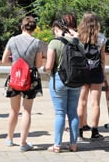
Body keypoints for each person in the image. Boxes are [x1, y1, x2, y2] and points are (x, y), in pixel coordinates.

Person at [1, 15, 44, 151]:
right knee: (27, 111)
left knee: (13, 110)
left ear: (22, 27)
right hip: (30, 77)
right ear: (34, 28)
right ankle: (23, 143)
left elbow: (3, 60)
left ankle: (9, 138)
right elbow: (38, 63)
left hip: (15, 76)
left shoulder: (12, 40)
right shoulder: (37, 43)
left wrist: (15, 59)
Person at [44, 17, 81, 153]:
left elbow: (49, 66)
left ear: (56, 29)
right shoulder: (78, 43)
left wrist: (44, 69)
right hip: (76, 80)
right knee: (73, 113)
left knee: (60, 113)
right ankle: (73, 144)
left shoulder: (54, 43)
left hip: (59, 80)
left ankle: (57, 145)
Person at [76, 12, 107, 141]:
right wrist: (103, 73)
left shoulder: (78, 37)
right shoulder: (101, 38)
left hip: (82, 71)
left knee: (81, 102)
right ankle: (95, 131)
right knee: (95, 103)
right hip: (96, 71)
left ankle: (79, 131)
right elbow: (103, 58)